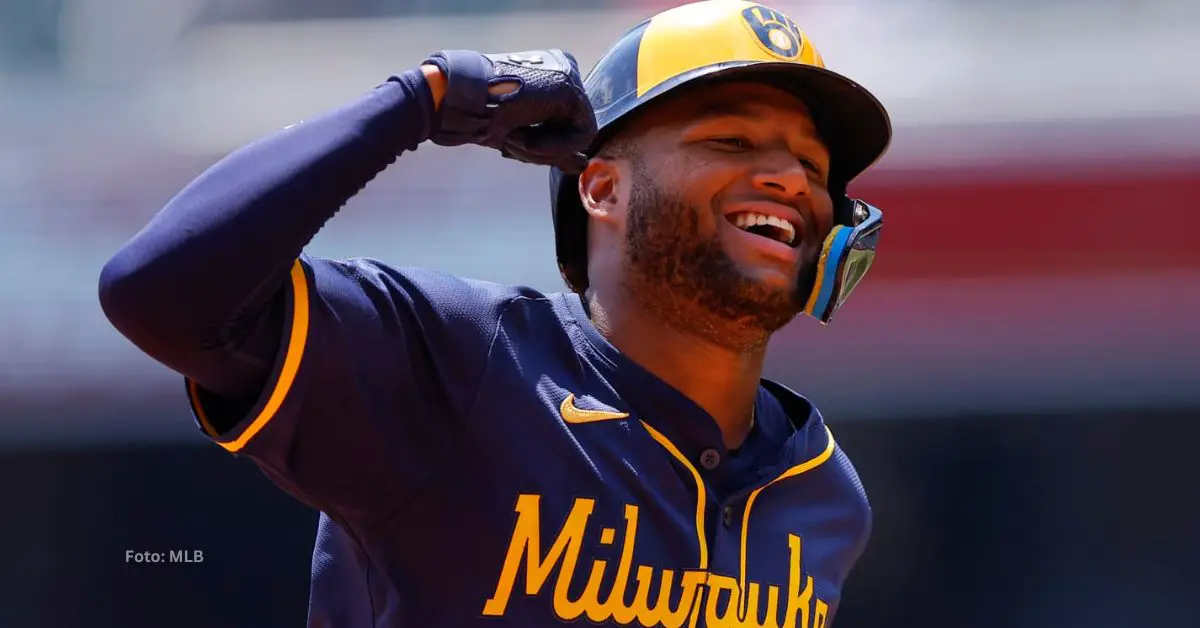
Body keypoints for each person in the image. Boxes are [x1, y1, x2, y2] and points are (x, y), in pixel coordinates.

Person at [98, 1, 892, 626]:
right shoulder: (460, 363)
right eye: (731, 140)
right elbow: (160, 291)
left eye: (812, 163)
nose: (789, 177)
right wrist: (423, 100)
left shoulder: (821, 491)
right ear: (602, 188)